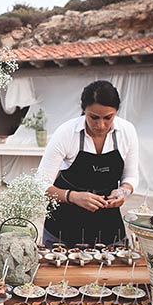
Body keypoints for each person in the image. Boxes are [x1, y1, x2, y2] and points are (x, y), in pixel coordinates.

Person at [37, 80, 138, 247]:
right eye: (94, 117)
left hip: (109, 226)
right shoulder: (66, 133)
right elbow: (40, 184)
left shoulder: (127, 132)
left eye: (108, 117)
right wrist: (73, 196)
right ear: (84, 110)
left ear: (116, 112)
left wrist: (123, 192)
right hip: (64, 226)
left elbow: (131, 176)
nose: (101, 125)